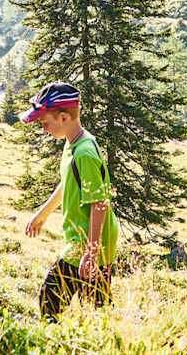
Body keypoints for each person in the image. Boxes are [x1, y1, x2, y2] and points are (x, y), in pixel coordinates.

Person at [22, 82, 119, 319]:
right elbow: (68, 184)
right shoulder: (73, 144)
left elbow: (100, 203)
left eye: (45, 123)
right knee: (97, 304)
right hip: (91, 238)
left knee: (50, 298)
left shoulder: (83, 152)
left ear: (64, 117)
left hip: (88, 239)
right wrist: (42, 215)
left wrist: (92, 252)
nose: (44, 129)